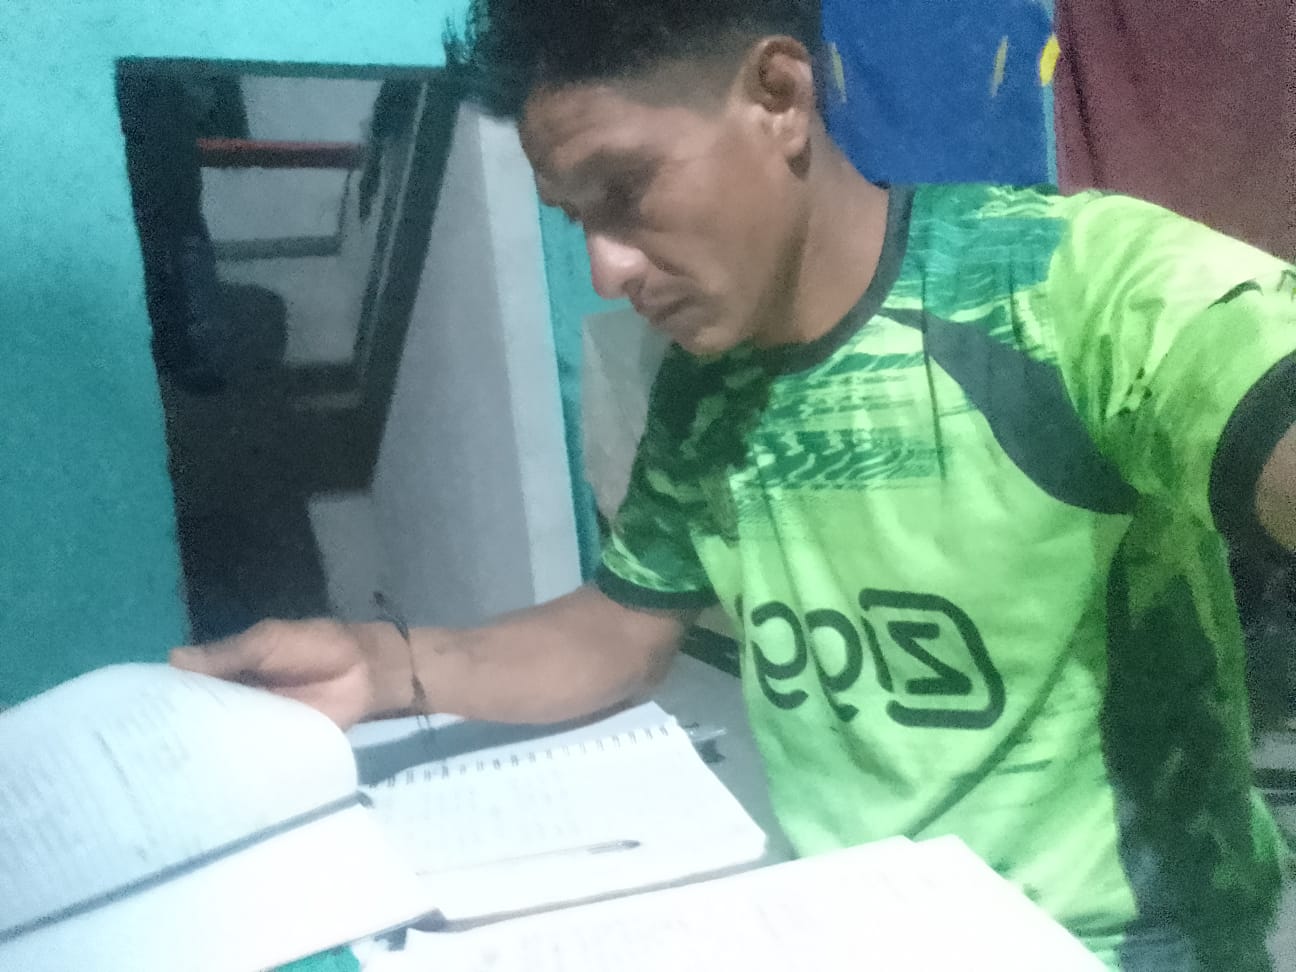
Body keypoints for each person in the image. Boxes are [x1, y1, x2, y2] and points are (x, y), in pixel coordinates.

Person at [172, 1, 1296, 968]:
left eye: (625, 191)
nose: (607, 268)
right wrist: (384, 665)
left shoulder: (1064, 288)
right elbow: (623, 625)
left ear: (778, 96)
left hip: (1121, 943)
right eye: (577, 222)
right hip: (844, 929)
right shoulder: (710, 389)